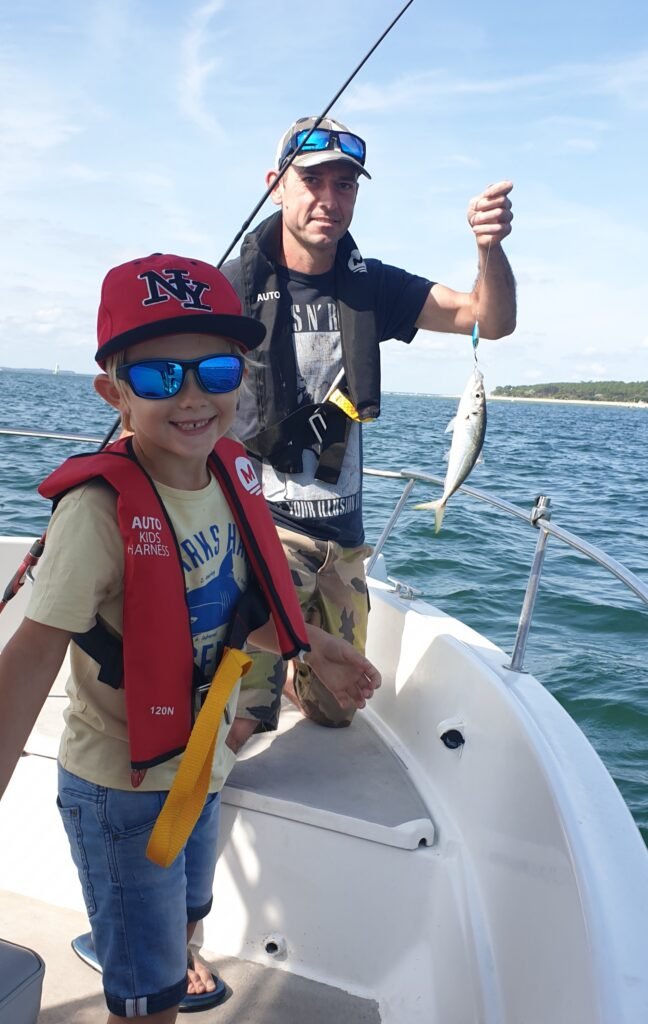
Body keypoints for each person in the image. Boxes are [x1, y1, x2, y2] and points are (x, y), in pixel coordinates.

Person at [0, 252, 380, 1024]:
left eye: (215, 369)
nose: (193, 397)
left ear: (242, 378)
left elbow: (233, 607)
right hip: (121, 786)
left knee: (187, 912)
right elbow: (32, 656)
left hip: (202, 758)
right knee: (146, 1003)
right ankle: (150, 976)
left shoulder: (229, 475)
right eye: (157, 378)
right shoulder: (99, 513)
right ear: (115, 394)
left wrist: (311, 643)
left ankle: (171, 948)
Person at [221, 115, 516, 739]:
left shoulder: (372, 286)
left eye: (346, 184)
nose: (330, 199)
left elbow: (487, 320)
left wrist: (488, 251)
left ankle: (304, 651)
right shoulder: (228, 291)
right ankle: (264, 674)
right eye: (313, 180)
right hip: (259, 532)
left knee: (338, 713)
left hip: (343, 540)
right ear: (276, 184)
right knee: (242, 723)